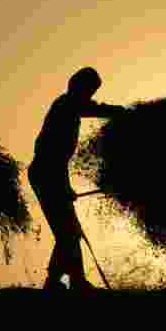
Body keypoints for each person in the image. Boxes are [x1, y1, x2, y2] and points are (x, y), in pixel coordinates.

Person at [28, 67, 127, 292]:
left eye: (92, 91)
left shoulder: (68, 105)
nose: (90, 95)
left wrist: (64, 186)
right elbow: (50, 156)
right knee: (69, 232)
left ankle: (63, 281)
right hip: (46, 174)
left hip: (49, 173)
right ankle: (70, 282)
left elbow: (89, 108)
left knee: (68, 231)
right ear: (78, 86)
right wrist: (122, 111)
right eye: (89, 90)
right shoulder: (67, 104)